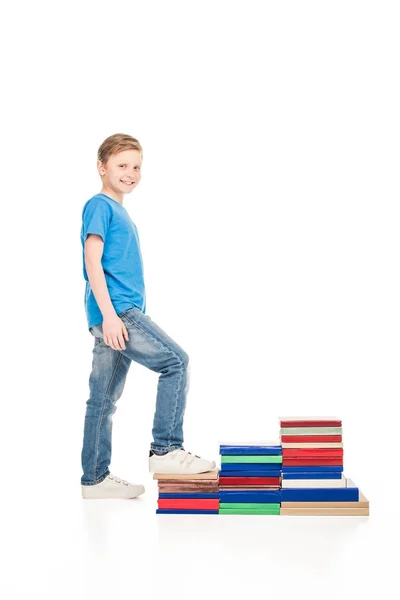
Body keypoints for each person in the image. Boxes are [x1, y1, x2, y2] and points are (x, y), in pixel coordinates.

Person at [80, 133, 216, 499]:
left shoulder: (119, 211)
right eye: (122, 165)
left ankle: (95, 479)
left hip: (118, 313)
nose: (131, 172)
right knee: (176, 362)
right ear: (101, 167)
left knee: (102, 400)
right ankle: (166, 449)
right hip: (118, 312)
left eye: (137, 166)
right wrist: (110, 316)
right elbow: (92, 262)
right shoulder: (100, 206)